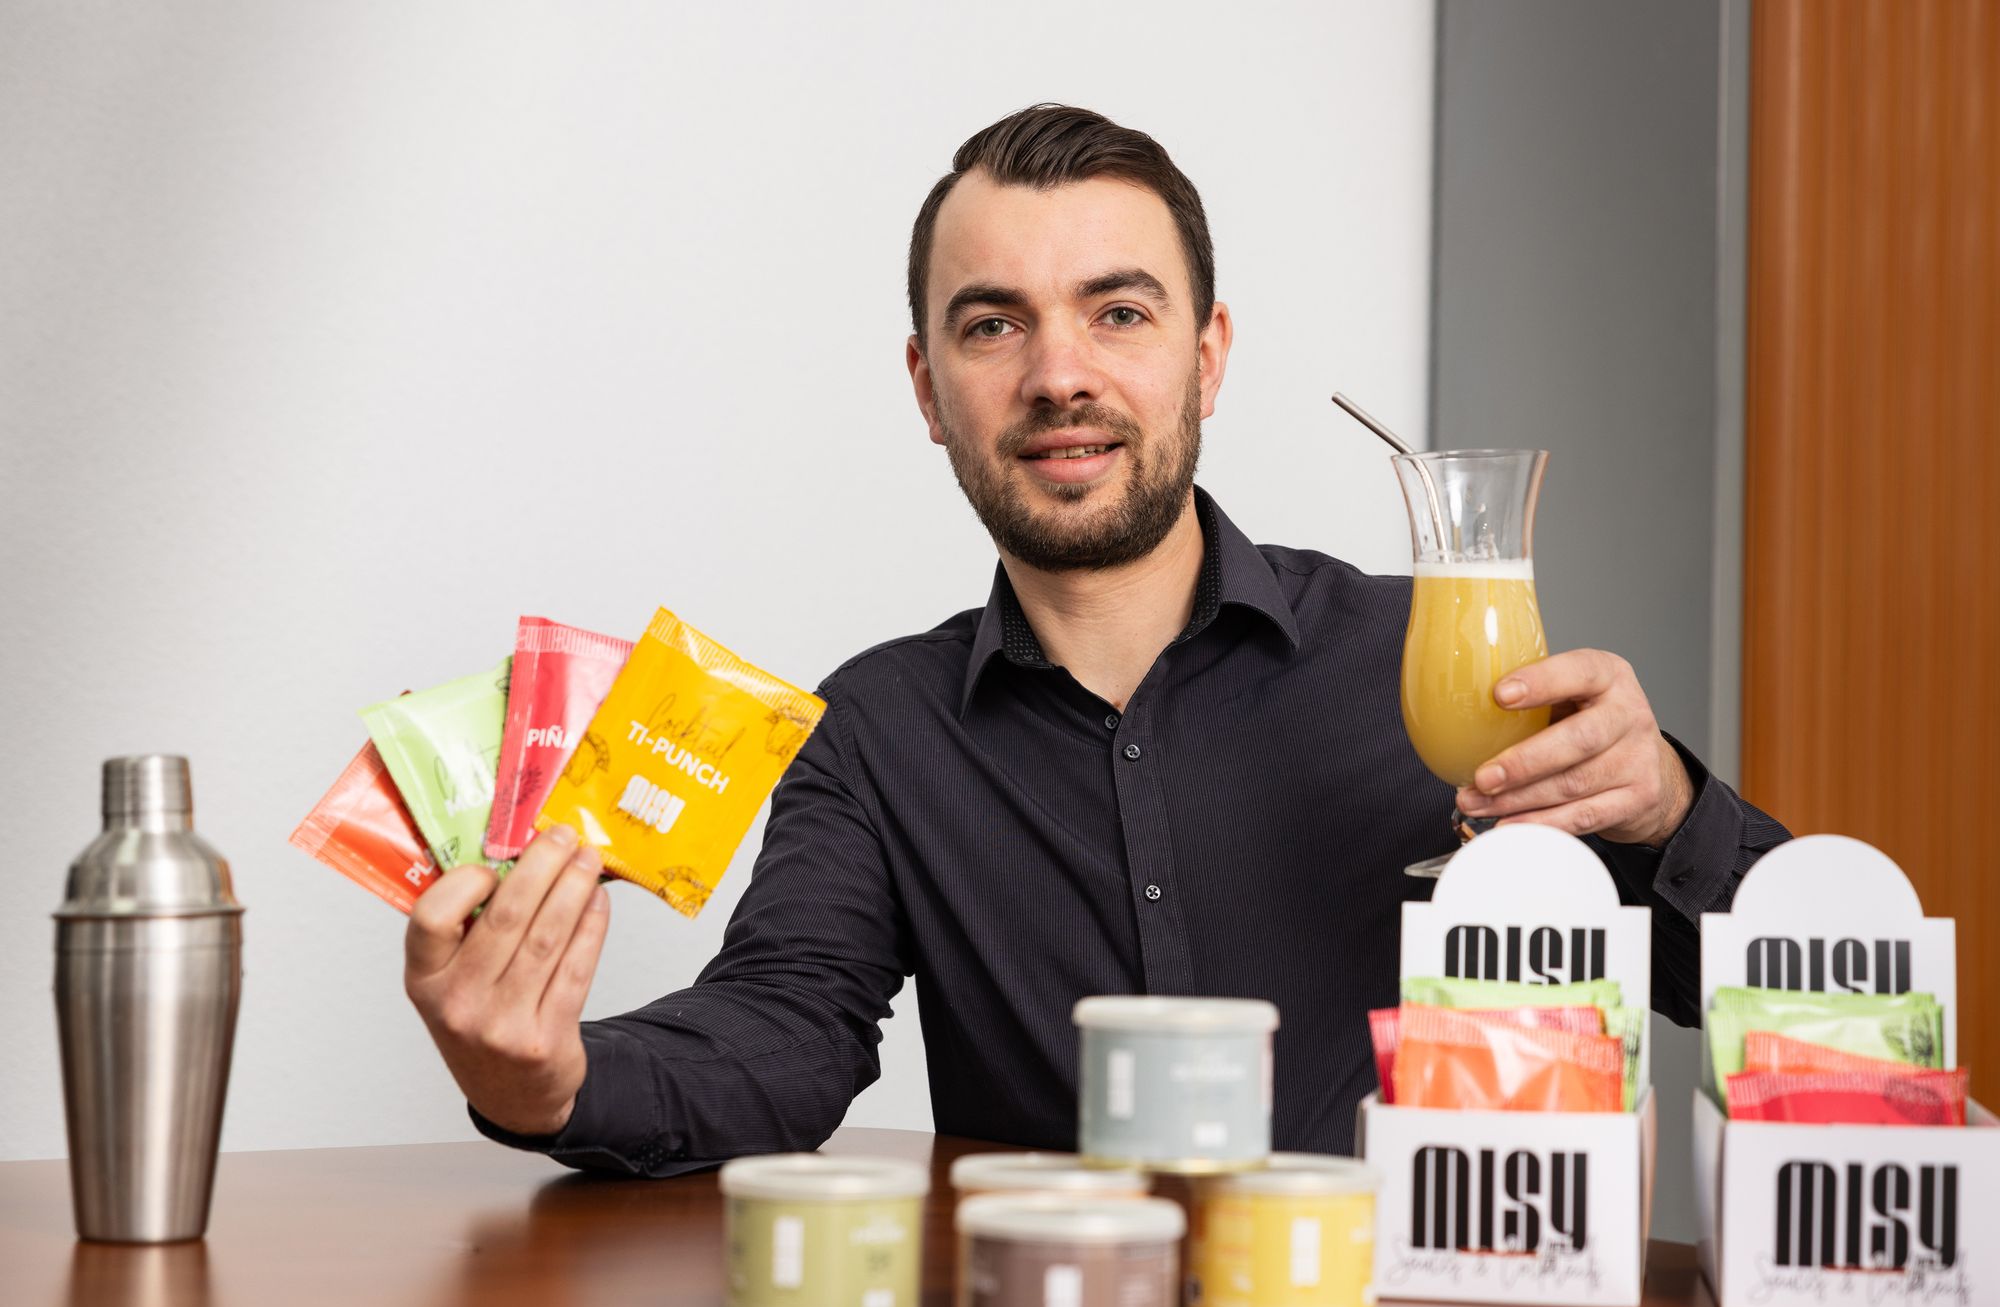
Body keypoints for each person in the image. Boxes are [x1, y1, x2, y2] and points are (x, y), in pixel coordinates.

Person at [403, 105, 1790, 1175]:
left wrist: (1665, 818)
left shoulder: (1435, 677)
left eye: (1118, 312)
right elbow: (782, 1031)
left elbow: (1800, 1017)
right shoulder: (879, 732)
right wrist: (546, 1080)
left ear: (1208, 354)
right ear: (928, 389)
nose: (1059, 371)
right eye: (993, 324)